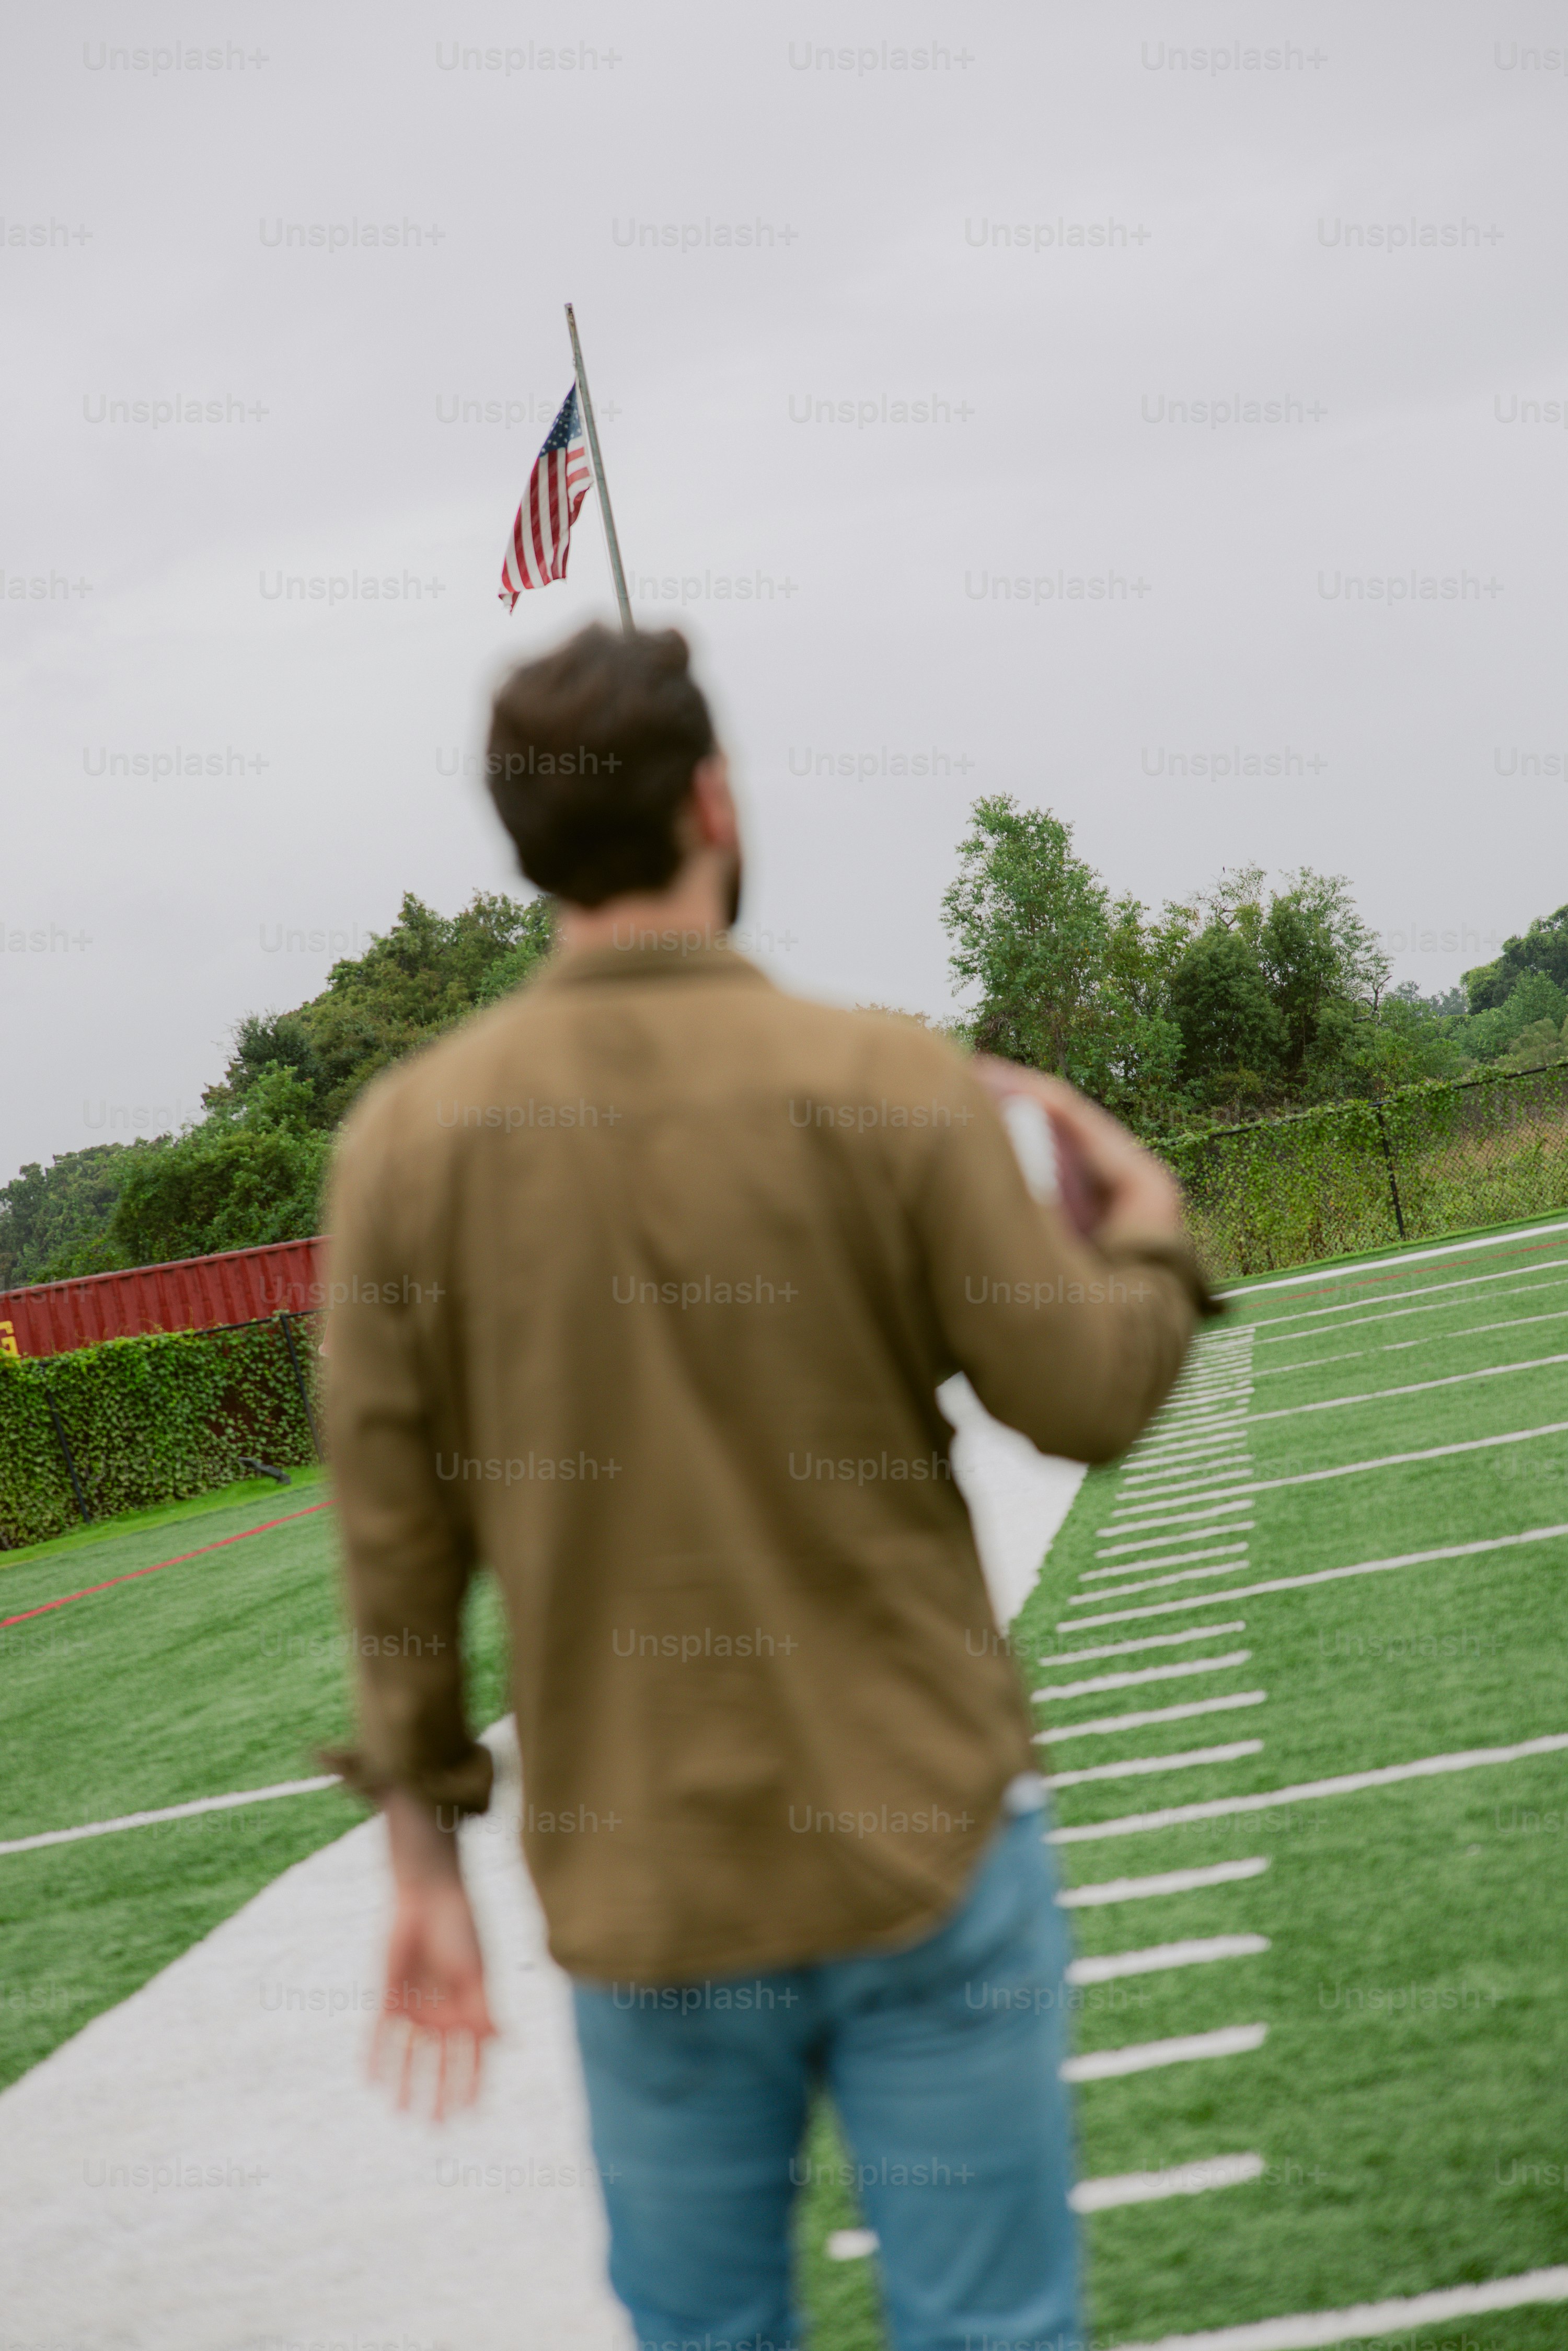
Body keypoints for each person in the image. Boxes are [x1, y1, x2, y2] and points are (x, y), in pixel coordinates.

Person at [324, 623, 1209, 2351]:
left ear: (521, 841)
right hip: (929, 1833)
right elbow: (1085, 1393)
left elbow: (394, 1549)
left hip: (649, 1885)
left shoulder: (405, 1148)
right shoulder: (884, 1081)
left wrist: (423, 1857)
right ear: (713, 799)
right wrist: (1150, 1219)